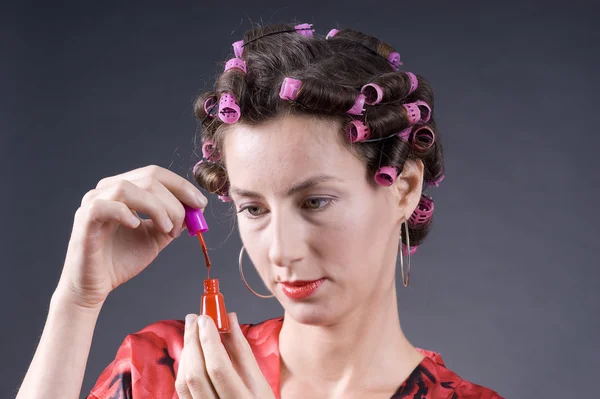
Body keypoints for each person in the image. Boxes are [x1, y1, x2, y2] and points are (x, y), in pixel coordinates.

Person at [16, 23, 504, 399]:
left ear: (404, 188)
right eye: (253, 207)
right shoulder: (167, 372)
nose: (281, 249)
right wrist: (77, 302)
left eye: (314, 201)